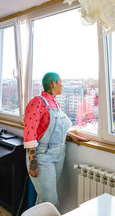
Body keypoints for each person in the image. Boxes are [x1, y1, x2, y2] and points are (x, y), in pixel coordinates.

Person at [23, 72, 88, 206]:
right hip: (42, 157)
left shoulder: (55, 104)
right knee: (50, 201)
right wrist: (33, 160)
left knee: (44, 200)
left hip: (59, 155)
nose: (62, 85)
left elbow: (52, 129)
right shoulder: (38, 101)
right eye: (61, 82)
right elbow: (30, 132)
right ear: (53, 84)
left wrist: (70, 135)